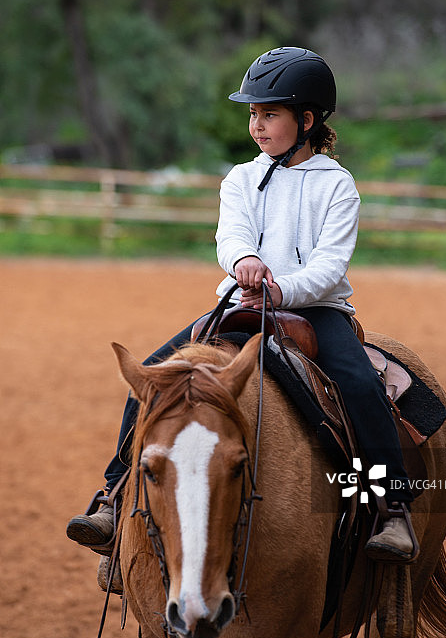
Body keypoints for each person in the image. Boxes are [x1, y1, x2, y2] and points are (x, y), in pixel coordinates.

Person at [67, 46, 415, 563]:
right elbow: (230, 238)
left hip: (317, 312)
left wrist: (280, 290)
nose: (257, 125)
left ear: (307, 119)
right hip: (240, 307)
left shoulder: (338, 186)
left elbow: (329, 267)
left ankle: (392, 509)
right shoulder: (240, 178)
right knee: (154, 379)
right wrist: (246, 261)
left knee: (360, 385)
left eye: (269, 114)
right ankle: (113, 500)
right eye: (253, 113)